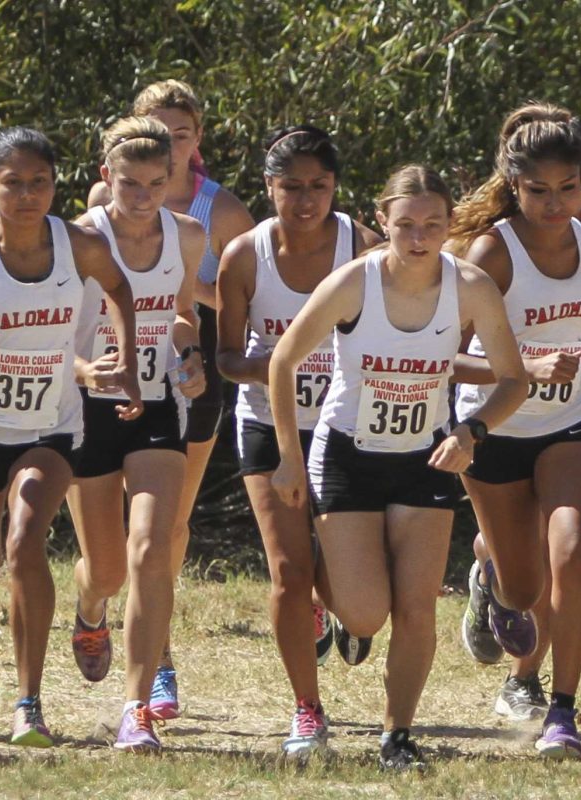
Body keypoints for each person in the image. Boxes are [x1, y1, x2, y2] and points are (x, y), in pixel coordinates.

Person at [269, 164, 527, 770]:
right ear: (382, 222)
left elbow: (513, 379)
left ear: (448, 227)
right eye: (405, 224)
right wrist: (287, 457)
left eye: (432, 225)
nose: (418, 237)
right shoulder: (353, 283)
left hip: (425, 457)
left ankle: (397, 735)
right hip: (348, 455)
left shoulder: (470, 286)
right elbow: (282, 361)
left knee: (416, 606)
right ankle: (338, 599)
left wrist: (473, 430)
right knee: (366, 612)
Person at [449, 104, 581, 758]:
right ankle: (493, 580)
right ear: (514, 184)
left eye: (569, 188)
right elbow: (443, 353)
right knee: (525, 587)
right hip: (494, 425)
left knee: (572, 553)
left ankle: (563, 712)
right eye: (538, 190)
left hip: (574, 423)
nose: (554, 202)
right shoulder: (493, 251)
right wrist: (521, 366)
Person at [0, 127, 143, 748]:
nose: (26, 195)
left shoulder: (80, 245)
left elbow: (121, 291)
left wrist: (122, 361)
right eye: (12, 183)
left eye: (39, 182)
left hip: (51, 427)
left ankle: (29, 703)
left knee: (24, 540)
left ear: (55, 185)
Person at [215, 124, 380, 760]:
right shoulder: (244, 257)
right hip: (269, 422)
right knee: (289, 568)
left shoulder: (363, 248)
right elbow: (229, 357)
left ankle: (340, 608)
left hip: (346, 426)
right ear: (269, 187)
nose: (306, 201)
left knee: (350, 587)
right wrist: (279, 362)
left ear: (336, 188)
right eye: (292, 188)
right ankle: (307, 711)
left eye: (319, 186)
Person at [90, 79, 254, 714]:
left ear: (196, 139)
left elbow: (230, 298)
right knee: (115, 553)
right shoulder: (103, 208)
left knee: (164, 530)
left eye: (181, 135)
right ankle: (108, 614)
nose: (170, 147)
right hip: (107, 383)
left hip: (188, 375)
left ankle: (156, 665)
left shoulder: (218, 214)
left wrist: (190, 343)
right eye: (159, 133)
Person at [66, 115, 204, 751]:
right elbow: (43, 333)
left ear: (172, 179)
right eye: (130, 184)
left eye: (156, 183)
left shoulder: (189, 236)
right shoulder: (78, 239)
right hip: (90, 408)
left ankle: (136, 707)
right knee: (107, 568)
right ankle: (89, 609)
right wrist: (86, 368)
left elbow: (182, 318)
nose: (143, 196)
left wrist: (191, 357)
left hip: (156, 407)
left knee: (151, 547)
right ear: (106, 179)